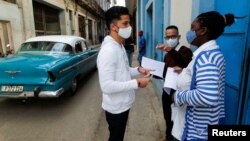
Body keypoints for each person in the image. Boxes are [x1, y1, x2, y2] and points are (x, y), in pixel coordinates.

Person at [173, 11, 235, 141]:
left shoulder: (206, 58)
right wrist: (185, 72)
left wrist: (177, 96)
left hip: (197, 133)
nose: (189, 32)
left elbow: (207, 96)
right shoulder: (209, 54)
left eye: (192, 27)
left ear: (202, 31)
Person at [97, 6, 152, 141]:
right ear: (113, 26)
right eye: (125, 23)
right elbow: (107, 86)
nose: (129, 27)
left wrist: (138, 70)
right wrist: (137, 83)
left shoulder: (119, 45)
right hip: (116, 108)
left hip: (123, 104)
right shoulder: (109, 51)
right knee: (116, 137)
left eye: (129, 23)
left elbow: (123, 70)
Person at [156, 25, 193, 141]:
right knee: (167, 116)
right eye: (167, 37)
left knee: (177, 118)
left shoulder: (185, 51)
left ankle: (175, 137)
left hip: (179, 92)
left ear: (179, 36)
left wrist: (170, 50)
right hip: (167, 90)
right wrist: (152, 71)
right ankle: (168, 136)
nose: (170, 39)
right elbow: (165, 72)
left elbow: (185, 63)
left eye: (173, 36)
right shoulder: (167, 55)